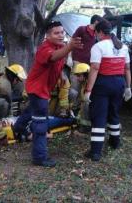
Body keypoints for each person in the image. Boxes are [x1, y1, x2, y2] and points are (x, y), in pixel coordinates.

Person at [17, 21, 83, 167]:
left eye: (62, 32)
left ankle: (18, 129)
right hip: (37, 90)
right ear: (47, 36)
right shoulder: (45, 48)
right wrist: (69, 47)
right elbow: (53, 57)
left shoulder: (60, 47)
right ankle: (39, 158)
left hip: (42, 89)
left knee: (32, 113)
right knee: (40, 125)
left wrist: (59, 76)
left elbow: (58, 63)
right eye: (56, 33)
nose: (60, 35)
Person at [84, 19, 132, 162]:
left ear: (99, 32)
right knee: (114, 113)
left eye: (96, 32)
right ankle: (115, 142)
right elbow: (127, 68)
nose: (95, 35)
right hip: (119, 83)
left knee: (99, 116)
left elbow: (95, 68)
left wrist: (88, 90)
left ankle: (96, 152)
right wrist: (128, 87)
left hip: (103, 83)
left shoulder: (98, 46)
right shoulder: (123, 46)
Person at [70, 15, 103, 100]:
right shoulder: (82, 29)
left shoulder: (97, 34)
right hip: (78, 61)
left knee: (84, 86)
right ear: (96, 22)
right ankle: (69, 108)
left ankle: (77, 109)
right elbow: (72, 41)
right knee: (75, 86)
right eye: (100, 23)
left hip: (89, 64)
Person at [70, 63, 91, 133]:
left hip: (94, 111)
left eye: (79, 75)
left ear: (85, 74)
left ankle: (85, 128)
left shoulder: (91, 85)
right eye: (76, 75)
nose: (77, 78)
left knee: (86, 103)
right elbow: (81, 102)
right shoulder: (84, 84)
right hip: (87, 111)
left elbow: (85, 103)